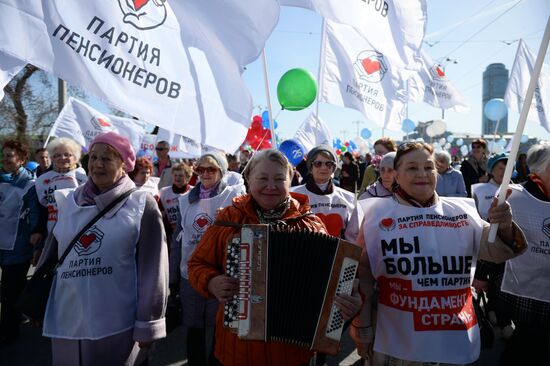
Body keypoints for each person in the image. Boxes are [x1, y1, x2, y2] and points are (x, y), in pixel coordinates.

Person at [350, 142, 527, 366]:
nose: (422, 174)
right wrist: (362, 328)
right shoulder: (376, 214)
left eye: (429, 167)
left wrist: (503, 225)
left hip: (452, 335)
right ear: (396, 174)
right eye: (412, 168)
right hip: (397, 343)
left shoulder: (463, 211)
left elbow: (496, 251)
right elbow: (363, 275)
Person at [187, 149, 362, 366]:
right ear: (248, 179)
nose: (271, 186)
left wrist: (349, 301)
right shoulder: (229, 220)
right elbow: (196, 264)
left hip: (294, 353)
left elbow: (334, 285)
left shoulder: (310, 224)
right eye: (262, 178)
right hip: (237, 351)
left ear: (290, 181)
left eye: (280, 179)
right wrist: (211, 281)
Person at [37, 131, 168, 365]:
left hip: (116, 326)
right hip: (67, 322)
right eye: (94, 157)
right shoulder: (66, 201)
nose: (97, 164)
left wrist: (148, 323)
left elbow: (154, 270)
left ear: (125, 164)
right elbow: (50, 257)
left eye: (107, 158)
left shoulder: (141, 203)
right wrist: (36, 299)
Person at [171, 151, 245, 366]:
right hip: (191, 275)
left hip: (221, 274)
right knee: (194, 326)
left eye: (210, 169)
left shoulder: (232, 196)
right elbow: (177, 240)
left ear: (221, 171)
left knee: (219, 327)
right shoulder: (185, 200)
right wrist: (173, 278)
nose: (204, 173)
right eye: (200, 169)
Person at [492, 144, 550, 366]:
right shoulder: (513, 196)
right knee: (527, 346)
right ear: (541, 169)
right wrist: (481, 275)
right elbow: (496, 239)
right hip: (525, 288)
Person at [0, 139, 43, 346]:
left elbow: (35, 214)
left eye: (10, 155)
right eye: (4, 154)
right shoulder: (1, 179)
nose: (6, 158)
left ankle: (10, 331)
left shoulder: (30, 185)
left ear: (22, 159)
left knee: (10, 292)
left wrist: (36, 238)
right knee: (7, 292)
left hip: (18, 247)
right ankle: (12, 320)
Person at [291, 145, 355, 237]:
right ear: (310, 168)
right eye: (318, 163)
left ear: (333, 168)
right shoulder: (294, 195)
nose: (323, 167)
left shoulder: (348, 197)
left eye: (329, 164)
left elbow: (352, 236)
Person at [35, 138, 88, 234]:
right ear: (52, 158)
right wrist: (38, 231)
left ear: (75, 157)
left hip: (78, 228)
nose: (62, 158)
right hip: (51, 229)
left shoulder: (84, 176)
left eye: (67, 154)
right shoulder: (42, 180)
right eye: (57, 155)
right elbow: (42, 209)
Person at [345, 152, 396, 243]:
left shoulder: (410, 195)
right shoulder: (368, 197)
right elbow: (352, 234)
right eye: (382, 170)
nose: (385, 175)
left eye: (390, 170)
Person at [158, 162, 193, 243]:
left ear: (187, 177)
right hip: (170, 234)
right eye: (175, 175)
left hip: (189, 233)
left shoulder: (193, 192)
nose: (177, 178)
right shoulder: (163, 192)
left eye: (180, 175)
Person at [471, 153, 508, 220]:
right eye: (500, 168)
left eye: (508, 168)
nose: (505, 171)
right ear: (492, 171)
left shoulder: (516, 189)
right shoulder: (478, 190)